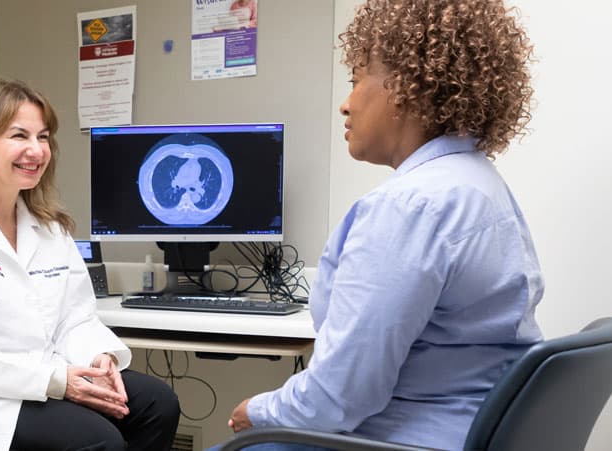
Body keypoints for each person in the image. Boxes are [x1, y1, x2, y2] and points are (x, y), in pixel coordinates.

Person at [210, 0, 542, 450]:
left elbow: (336, 397)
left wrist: (256, 410)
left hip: (399, 440)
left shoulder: (408, 206)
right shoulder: (480, 184)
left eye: (356, 79)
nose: (345, 105)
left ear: (409, 87)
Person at [0, 79, 180, 451]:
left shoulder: (47, 227)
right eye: (19, 135)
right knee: (101, 440)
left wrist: (99, 357)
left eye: (43, 137)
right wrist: (58, 380)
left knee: (158, 405)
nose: (35, 150)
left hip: (41, 376)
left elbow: (74, 318)